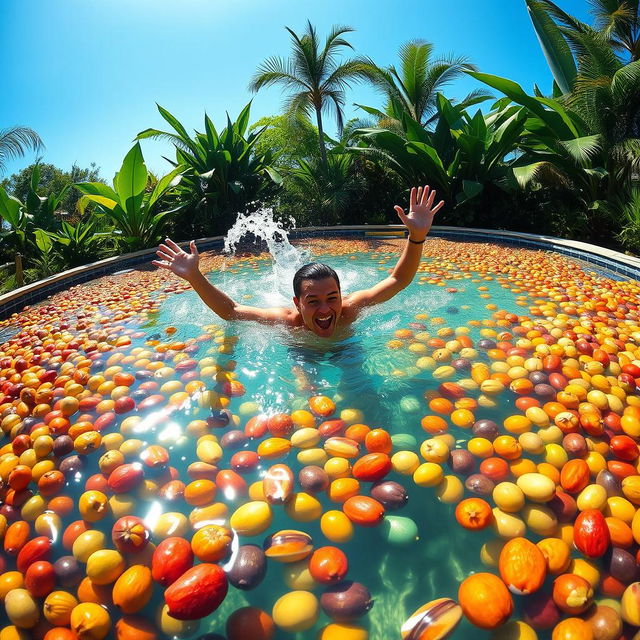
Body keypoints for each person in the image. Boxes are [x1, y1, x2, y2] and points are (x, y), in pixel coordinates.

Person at [152, 185, 444, 339]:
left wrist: (416, 237)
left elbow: (398, 280)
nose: (326, 309)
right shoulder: (288, 323)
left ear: (342, 296)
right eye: (313, 301)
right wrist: (195, 277)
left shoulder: (350, 310)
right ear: (297, 303)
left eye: (332, 298)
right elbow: (232, 311)